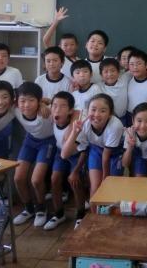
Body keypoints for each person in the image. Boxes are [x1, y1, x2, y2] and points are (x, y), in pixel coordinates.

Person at [61, 94, 124, 204]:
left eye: (103, 111)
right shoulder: (84, 123)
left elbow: (106, 156)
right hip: (96, 150)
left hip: (115, 153)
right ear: (87, 110)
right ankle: (96, 213)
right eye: (93, 110)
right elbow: (64, 155)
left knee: (110, 188)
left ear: (110, 114)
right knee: (95, 188)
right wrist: (74, 133)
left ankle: (107, 212)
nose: (97, 114)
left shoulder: (116, 125)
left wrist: (105, 179)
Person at [12, 82, 56, 228]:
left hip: (47, 142)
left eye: (31, 100)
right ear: (17, 101)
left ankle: (41, 209)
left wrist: (44, 103)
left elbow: (62, 104)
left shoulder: (47, 111)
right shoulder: (15, 109)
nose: (26, 105)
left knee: (36, 180)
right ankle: (29, 209)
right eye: (22, 101)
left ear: (38, 100)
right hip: (30, 141)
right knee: (18, 178)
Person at [44, 91, 86, 230]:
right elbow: (41, 103)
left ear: (70, 111)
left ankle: (80, 215)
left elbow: (81, 111)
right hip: (59, 152)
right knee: (54, 179)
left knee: (75, 182)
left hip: (76, 154)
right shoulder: (52, 116)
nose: (57, 109)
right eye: (55, 106)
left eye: (63, 106)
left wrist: (75, 171)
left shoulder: (76, 126)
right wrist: (43, 103)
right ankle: (59, 214)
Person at [122, 102, 147, 177]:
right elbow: (125, 164)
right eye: (139, 121)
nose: (143, 126)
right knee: (139, 177)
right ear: (133, 120)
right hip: (139, 158)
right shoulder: (130, 132)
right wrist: (130, 147)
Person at [41, 7, 79, 77]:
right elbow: (46, 40)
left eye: (72, 44)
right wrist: (56, 21)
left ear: (77, 46)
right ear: (60, 47)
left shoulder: (80, 61)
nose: (69, 47)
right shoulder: (58, 58)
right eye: (65, 45)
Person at [98, 58, 130, 126]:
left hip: (124, 117)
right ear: (101, 75)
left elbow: (133, 70)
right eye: (106, 72)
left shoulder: (124, 79)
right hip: (108, 120)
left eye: (113, 71)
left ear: (118, 72)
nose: (110, 74)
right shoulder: (98, 86)